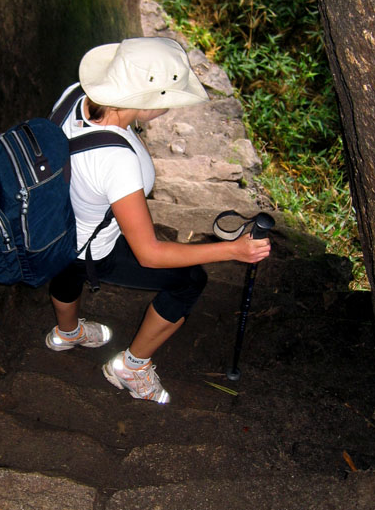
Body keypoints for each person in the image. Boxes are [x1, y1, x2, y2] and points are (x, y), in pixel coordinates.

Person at [46, 37, 270, 403]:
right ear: (147, 103)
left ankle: (66, 333)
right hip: (90, 248)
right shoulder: (117, 162)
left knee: (64, 271)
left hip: (52, 226)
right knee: (189, 280)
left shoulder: (77, 94)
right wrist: (231, 250)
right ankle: (132, 366)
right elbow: (149, 253)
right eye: (166, 101)